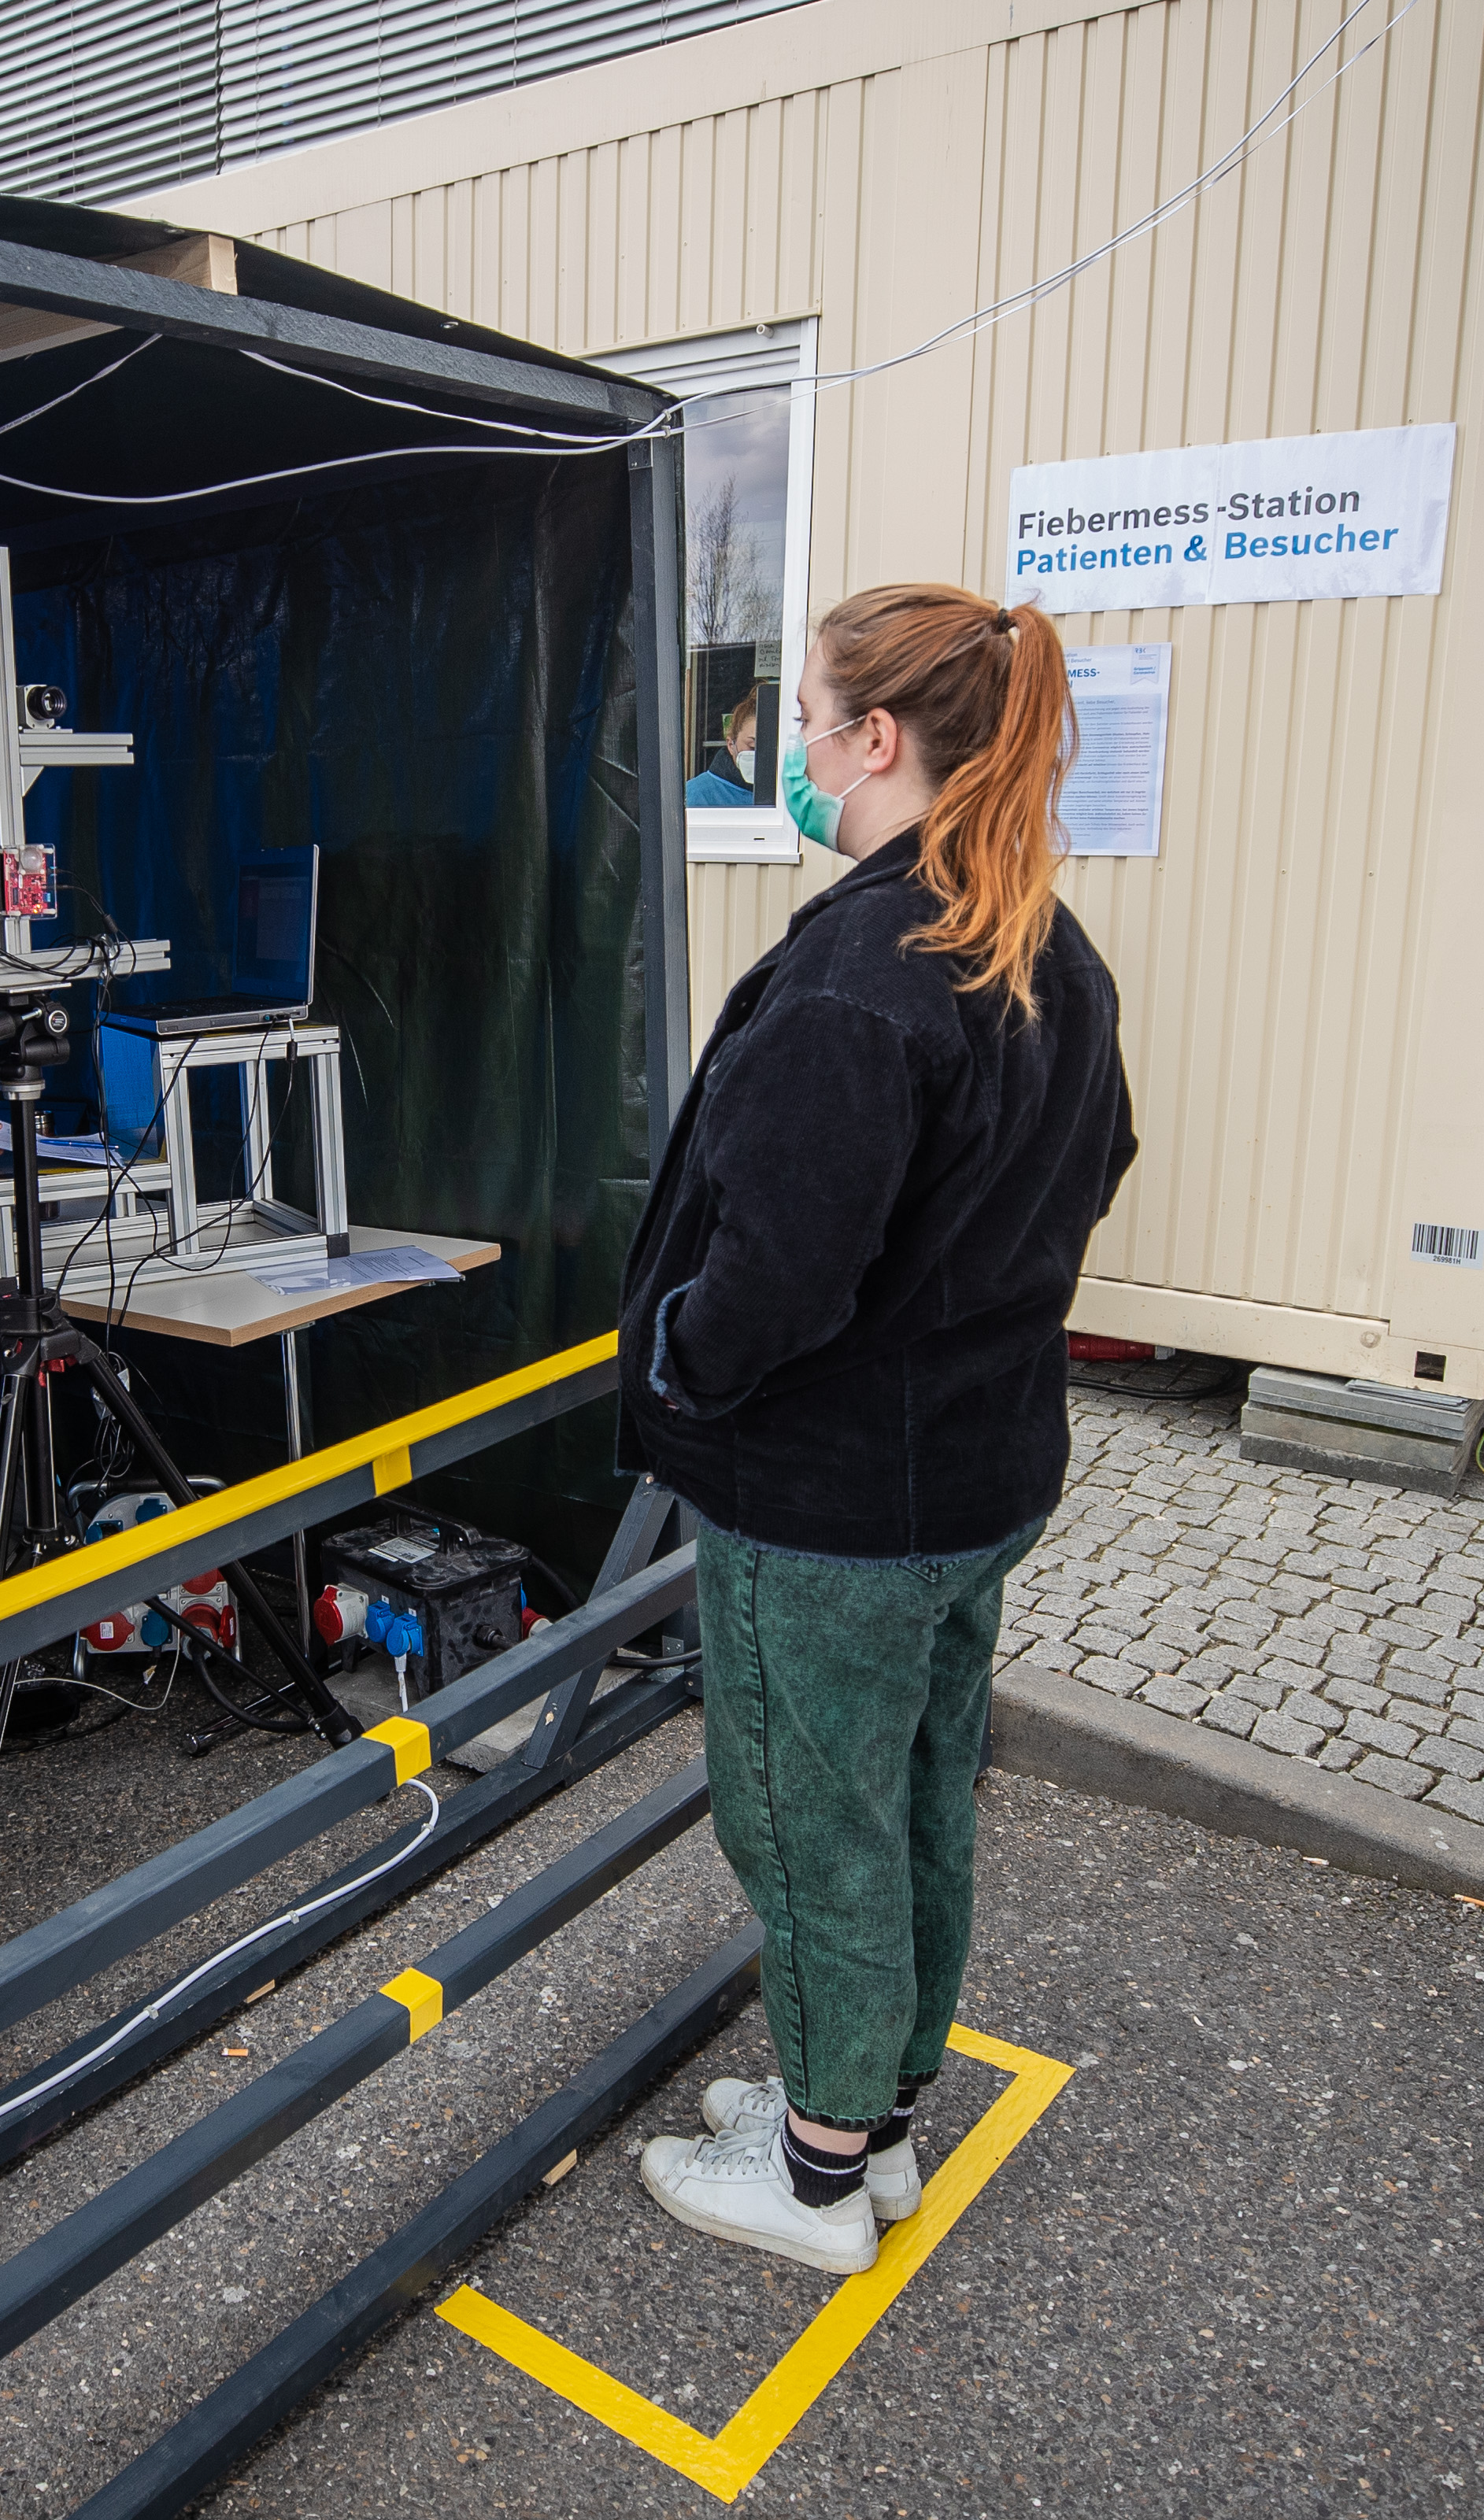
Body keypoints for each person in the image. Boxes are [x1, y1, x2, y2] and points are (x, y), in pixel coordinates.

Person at [617, 584, 1138, 2274]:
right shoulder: (1032, 932)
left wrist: (686, 1365)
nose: (787, 735)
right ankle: (872, 2107)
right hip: (976, 1469)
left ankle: (821, 2170)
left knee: (802, 1814)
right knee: (915, 1790)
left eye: (806, 705)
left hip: (833, 1498)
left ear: (876, 736)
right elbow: (1095, 1165)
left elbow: (775, 1271)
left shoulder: (863, 969)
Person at [683, 689, 763, 808]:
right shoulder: (696, 794)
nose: (762, 755)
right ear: (731, 745)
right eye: (753, 747)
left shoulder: (791, 791)